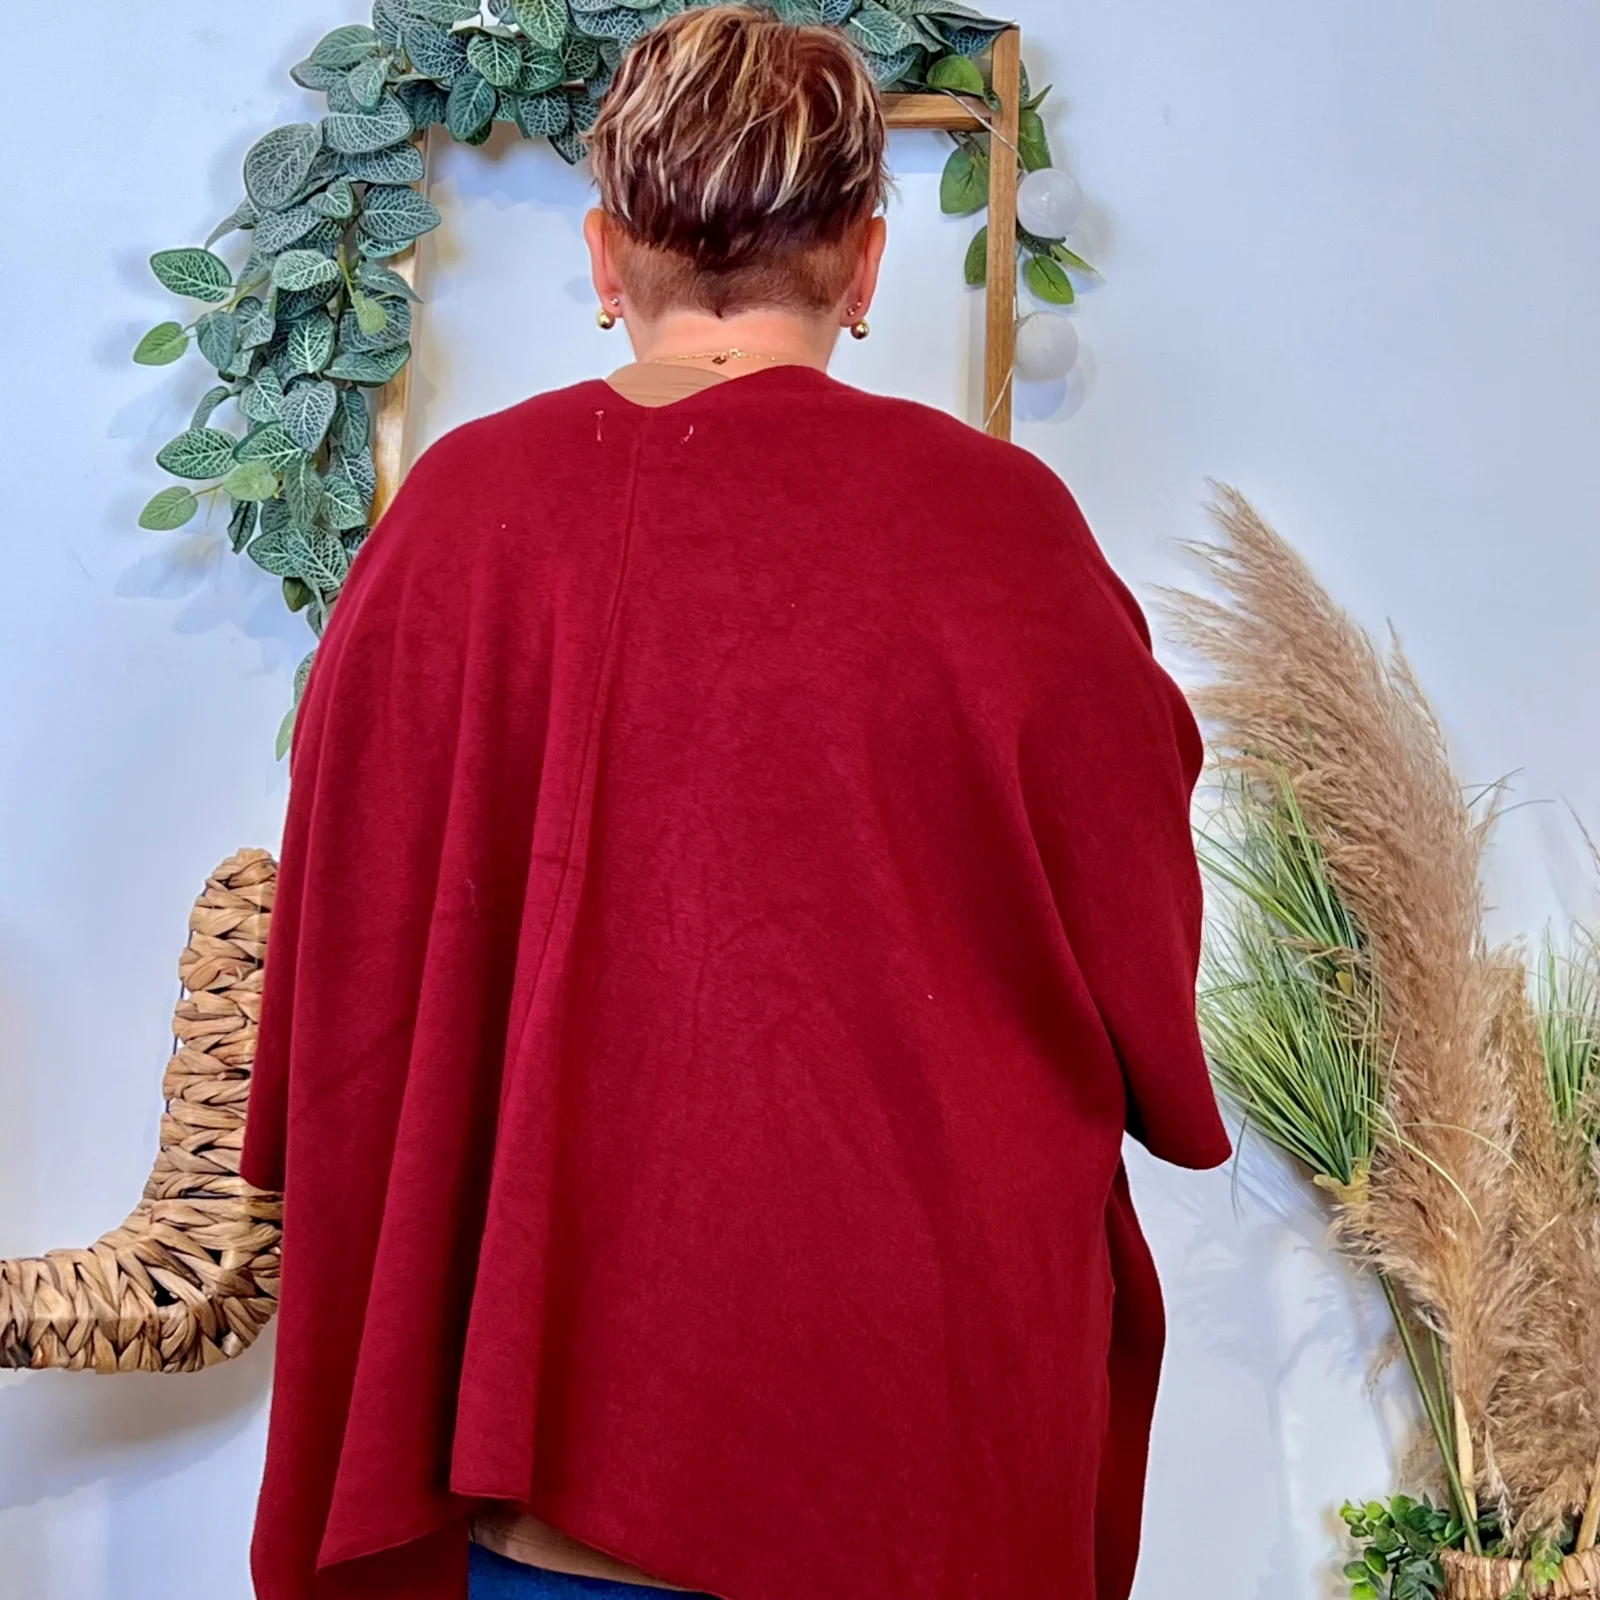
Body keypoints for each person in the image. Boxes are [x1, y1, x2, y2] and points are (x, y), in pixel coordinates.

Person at [238, 8, 1232, 1600]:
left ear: (603, 255)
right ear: (864, 262)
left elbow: (341, 960)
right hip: (914, 1417)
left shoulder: (456, 522)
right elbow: (1137, 942)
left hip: (548, 1430)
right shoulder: (1005, 530)